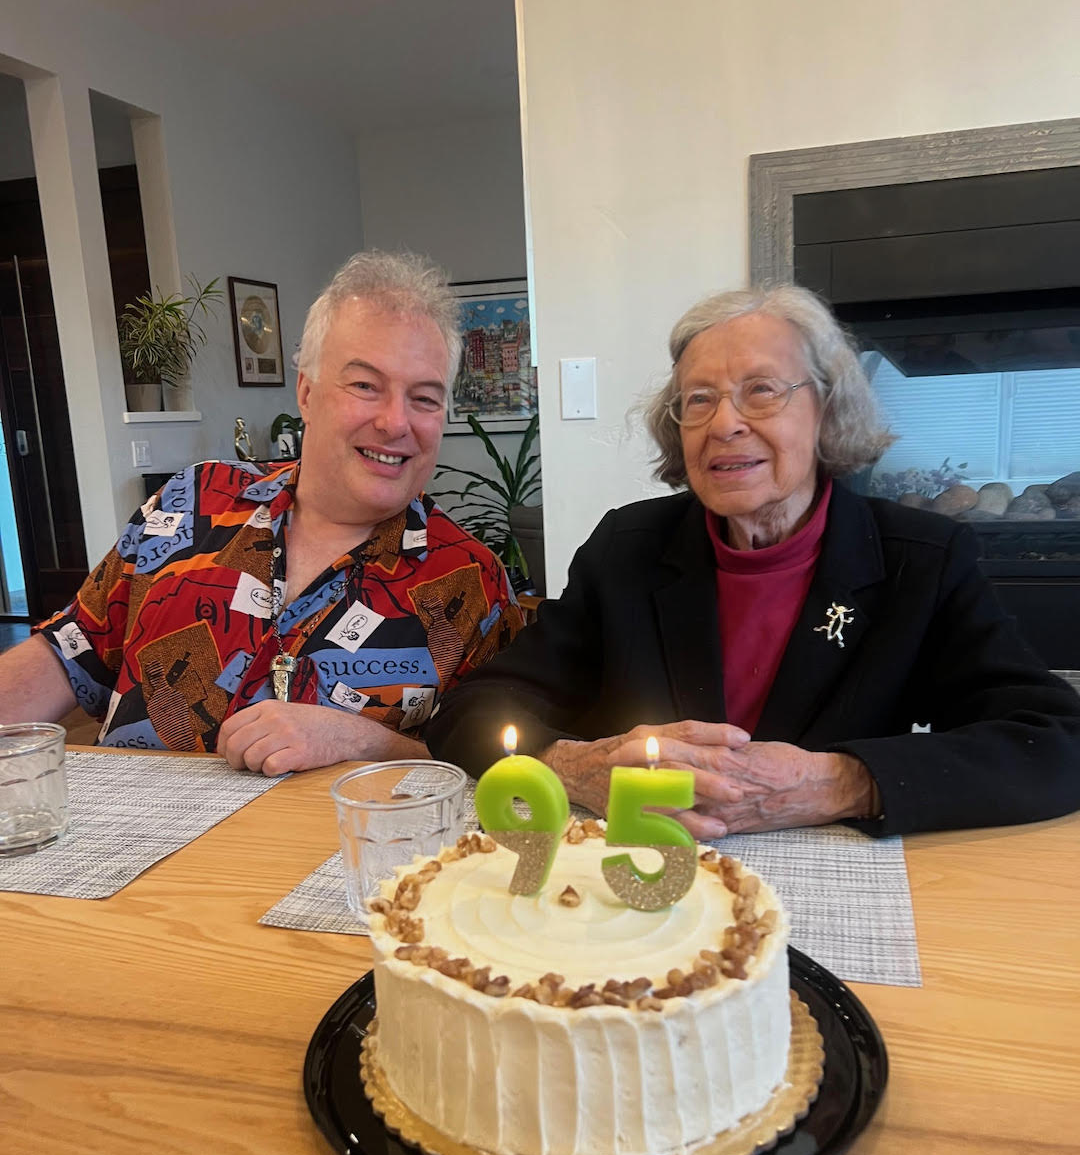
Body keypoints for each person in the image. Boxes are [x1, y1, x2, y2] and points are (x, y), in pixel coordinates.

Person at [426, 284, 1080, 837]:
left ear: (825, 411)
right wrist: (565, 765)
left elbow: (1056, 739)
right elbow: (473, 708)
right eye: (699, 400)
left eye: (761, 391)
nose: (724, 424)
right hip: (642, 884)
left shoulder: (922, 560)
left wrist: (841, 782)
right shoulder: (627, 549)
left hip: (835, 881)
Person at [0, 251, 523, 774]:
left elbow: (486, 767)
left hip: (318, 851)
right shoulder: (195, 500)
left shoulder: (471, 582)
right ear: (308, 393)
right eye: (365, 385)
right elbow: (71, 650)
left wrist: (365, 740)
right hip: (121, 842)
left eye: (425, 399)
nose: (395, 421)